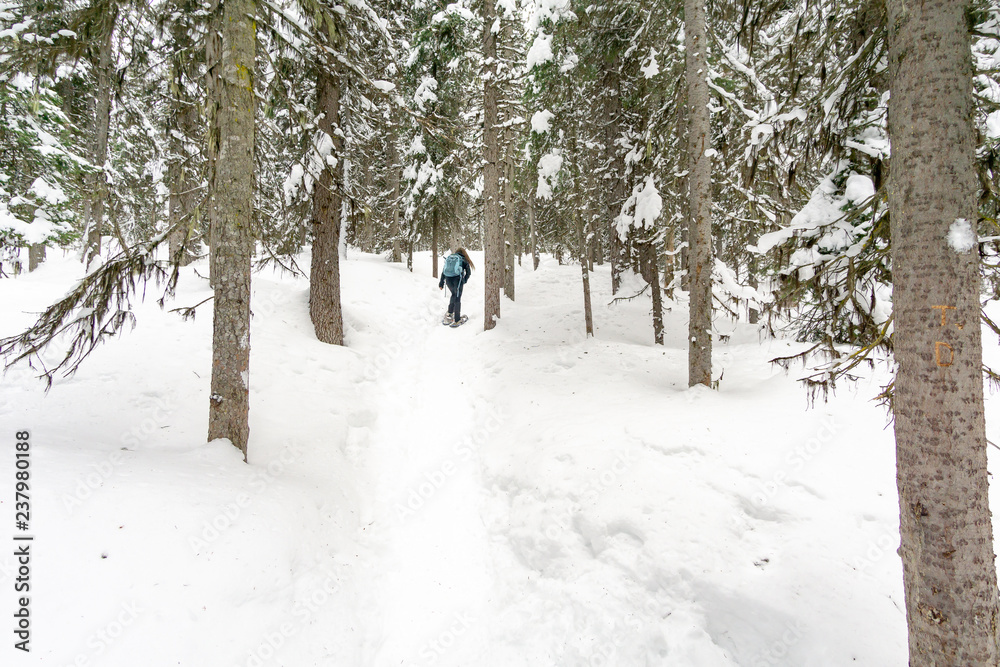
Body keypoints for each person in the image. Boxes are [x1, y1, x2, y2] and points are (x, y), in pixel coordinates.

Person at [439, 248, 474, 326]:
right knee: (457, 297)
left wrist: (441, 283)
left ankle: (449, 314)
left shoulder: (450, 258)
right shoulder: (463, 259)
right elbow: (468, 272)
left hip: (448, 279)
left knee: (454, 294)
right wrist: (464, 281)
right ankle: (457, 319)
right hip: (457, 280)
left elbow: (443, 271)